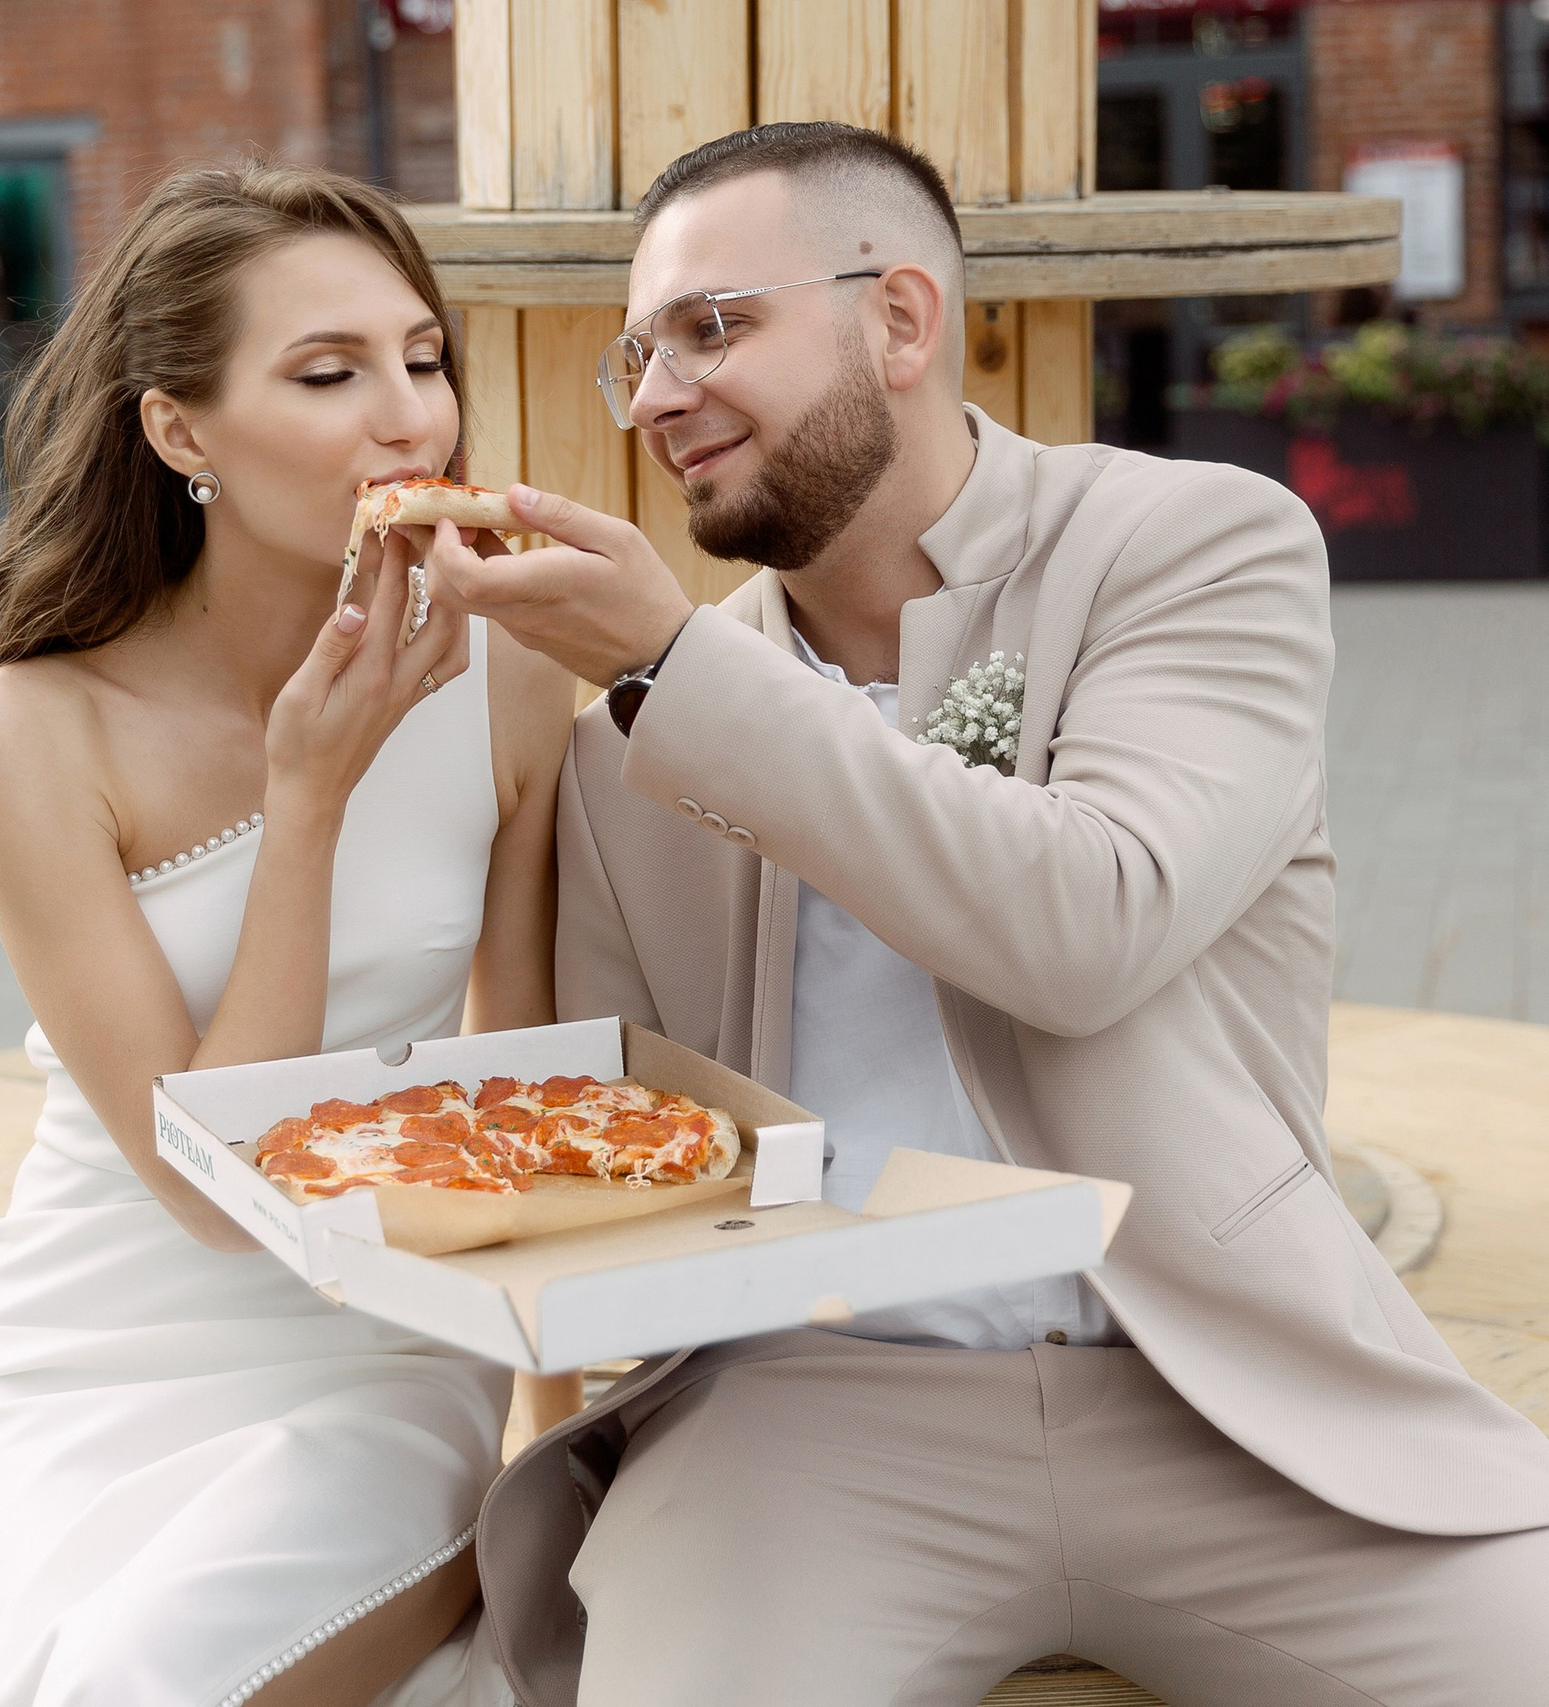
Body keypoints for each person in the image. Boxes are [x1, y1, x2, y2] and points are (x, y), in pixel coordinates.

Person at [426, 122, 1549, 1707]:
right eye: (638, 354)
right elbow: (628, 1145)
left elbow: (1086, 928)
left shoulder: (1190, 548)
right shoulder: (627, 731)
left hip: (1221, 1389)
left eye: (713, 327)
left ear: (899, 318)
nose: (660, 394)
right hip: (803, 1421)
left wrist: (676, 672)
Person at [0, 162, 574, 1707]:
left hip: (384, 1349)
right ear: (181, 430)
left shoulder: (512, 680)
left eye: (421, 358)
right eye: (327, 374)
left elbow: (529, 1093)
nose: (409, 419)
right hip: (90, 1353)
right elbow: (215, 1191)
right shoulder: (32, 729)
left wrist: (571, 1441)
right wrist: (308, 791)